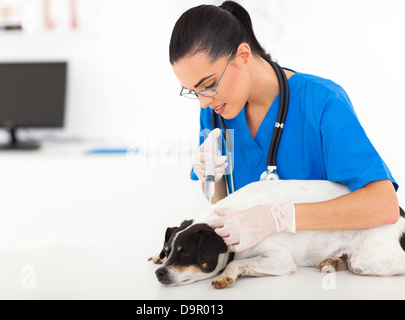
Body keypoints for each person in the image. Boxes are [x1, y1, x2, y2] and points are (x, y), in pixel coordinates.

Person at [169, 1, 399, 252]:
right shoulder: (216, 112)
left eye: (209, 84)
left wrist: (278, 217)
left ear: (243, 55)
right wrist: (210, 180)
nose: (203, 102)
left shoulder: (321, 101)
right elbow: (224, 212)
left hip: (324, 274)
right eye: (194, 91)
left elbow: (383, 206)